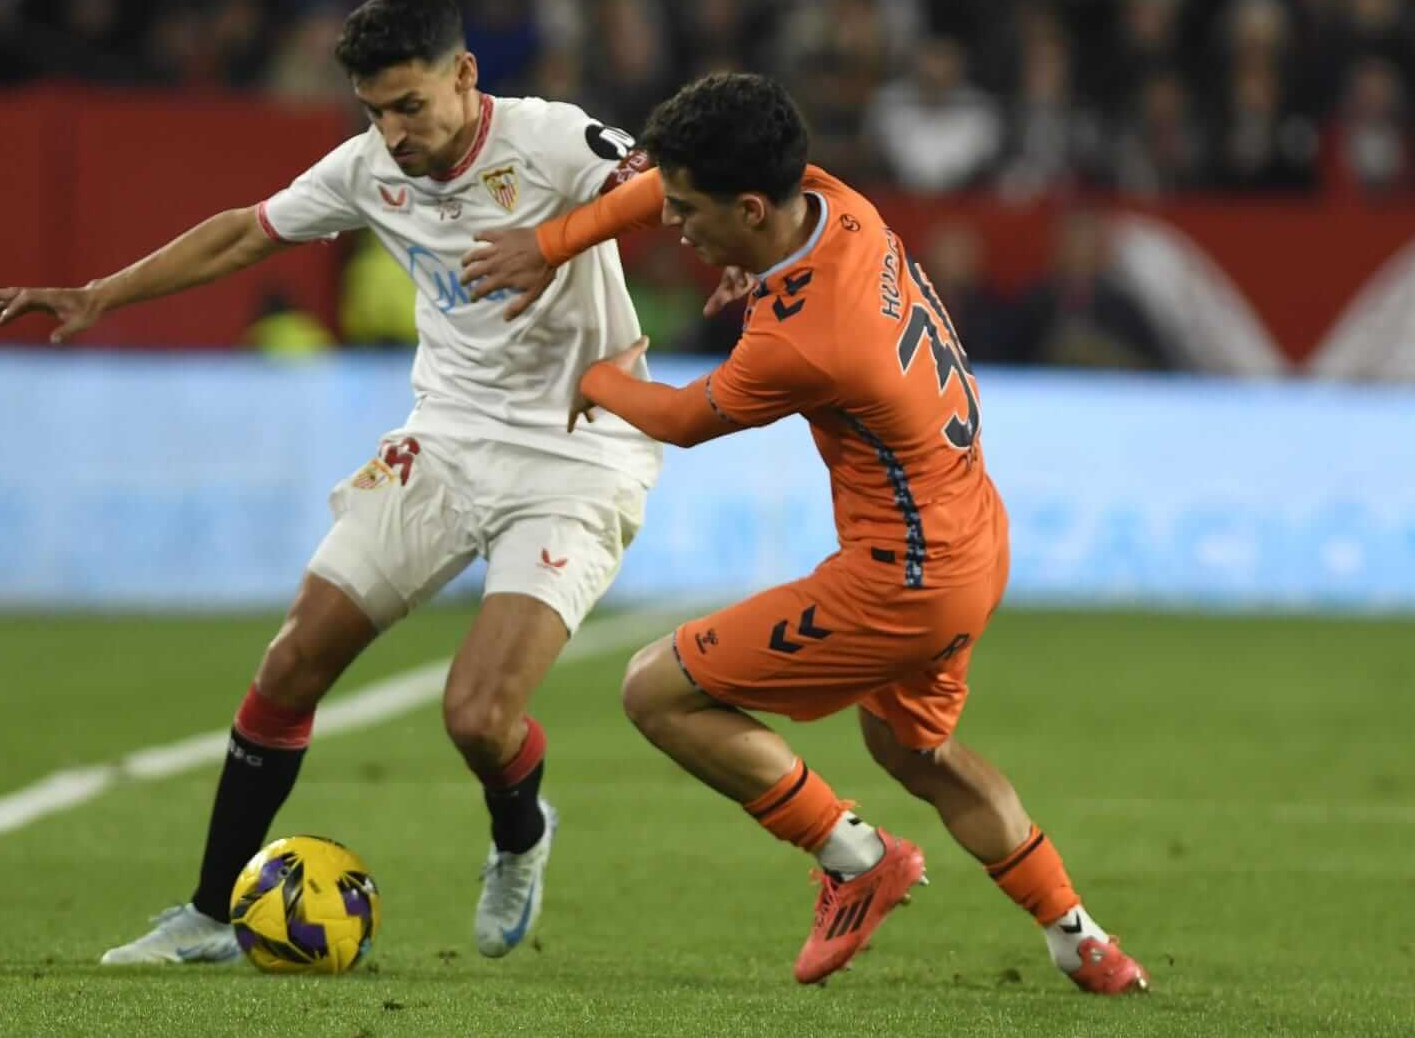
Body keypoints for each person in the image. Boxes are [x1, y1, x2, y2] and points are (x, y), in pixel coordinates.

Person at [0, 0, 660, 965]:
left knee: (476, 716)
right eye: (373, 110)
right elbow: (244, 230)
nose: (391, 132)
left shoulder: (549, 140)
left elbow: (654, 188)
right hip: (448, 440)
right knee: (291, 664)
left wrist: (549, 241)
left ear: (464, 78)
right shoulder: (366, 168)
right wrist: (102, 294)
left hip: (578, 450)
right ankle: (212, 914)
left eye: (409, 106)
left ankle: (520, 831)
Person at [461, 72, 1148, 992]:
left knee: (656, 690)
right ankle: (1082, 937)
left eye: (691, 211)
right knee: (915, 750)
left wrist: (594, 376)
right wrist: (555, 243)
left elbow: (677, 417)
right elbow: (688, 209)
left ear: (750, 208)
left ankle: (853, 859)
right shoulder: (831, 200)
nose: (674, 225)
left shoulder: (806, 339)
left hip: (902, 578)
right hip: (975, 540)